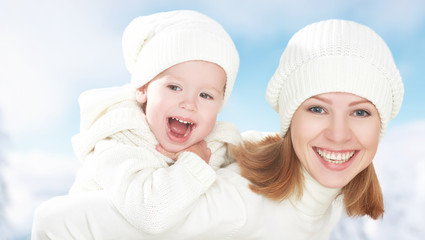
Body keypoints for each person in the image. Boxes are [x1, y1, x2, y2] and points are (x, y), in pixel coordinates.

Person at [32, 19, 403, 240]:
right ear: (291, 119)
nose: (339, 135)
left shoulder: (330, 189)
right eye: (318, 108)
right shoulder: (238, 201)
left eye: (361, 112)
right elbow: (52, 221)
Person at [31, 9, 241, 239]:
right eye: (174, 87)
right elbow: (151, 214)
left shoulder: (220, 146)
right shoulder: (117, 142)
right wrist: (195, 164)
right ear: (142, 89)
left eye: (205, 95)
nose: (189, 103)